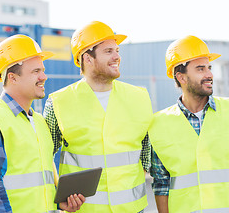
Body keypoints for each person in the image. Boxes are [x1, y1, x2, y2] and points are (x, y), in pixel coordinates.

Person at [0, 34, 85, 213]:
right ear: (12, 77)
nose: (44, 76)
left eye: (42, 70)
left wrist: (59, 203)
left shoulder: (39, 121)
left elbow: (39, 183)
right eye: (36, 71)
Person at [43, 21, 153, 213]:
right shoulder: (59, 102)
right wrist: (57, 196)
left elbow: (147, 155)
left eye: (117, 50)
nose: (117, 56)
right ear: (88, 58)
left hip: (133, 209)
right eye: (109, 51)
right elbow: (43, 157)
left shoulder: (139, 97)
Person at [148, 35, 229, 213]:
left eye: (209, 67)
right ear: (181, 77)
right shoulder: (158, 124)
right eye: (200, 69)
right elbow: (161, 183)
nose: (209, 74)